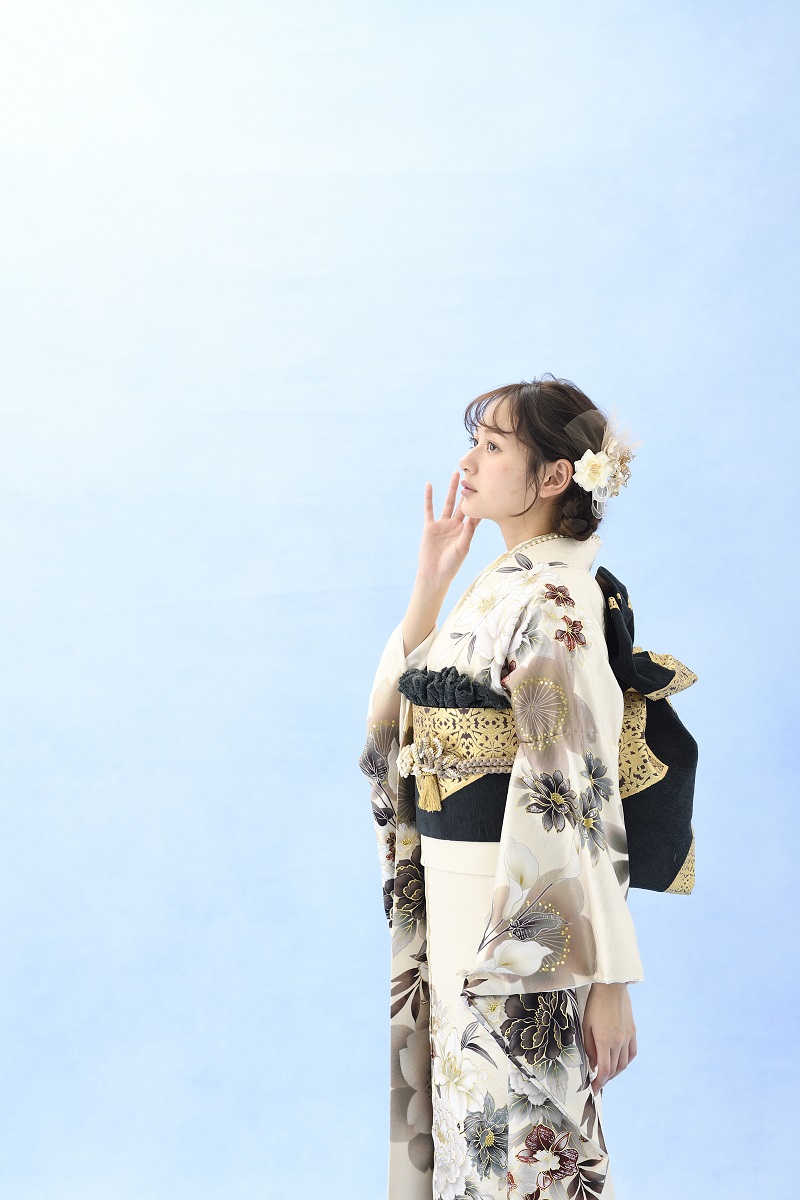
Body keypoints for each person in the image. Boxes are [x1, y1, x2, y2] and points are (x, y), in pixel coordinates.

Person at [359, 375, 644, 1200]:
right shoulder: (499, 584)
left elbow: (580, 788)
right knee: (468, 1129)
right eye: (473, 443)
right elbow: (394, 736)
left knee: (522, 1140)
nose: (468, 463)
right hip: (456, 896)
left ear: (554, 476)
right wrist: (430, 584)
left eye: (491, 447)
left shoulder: (555, 600)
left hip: (515, 916)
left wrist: (610, 980)